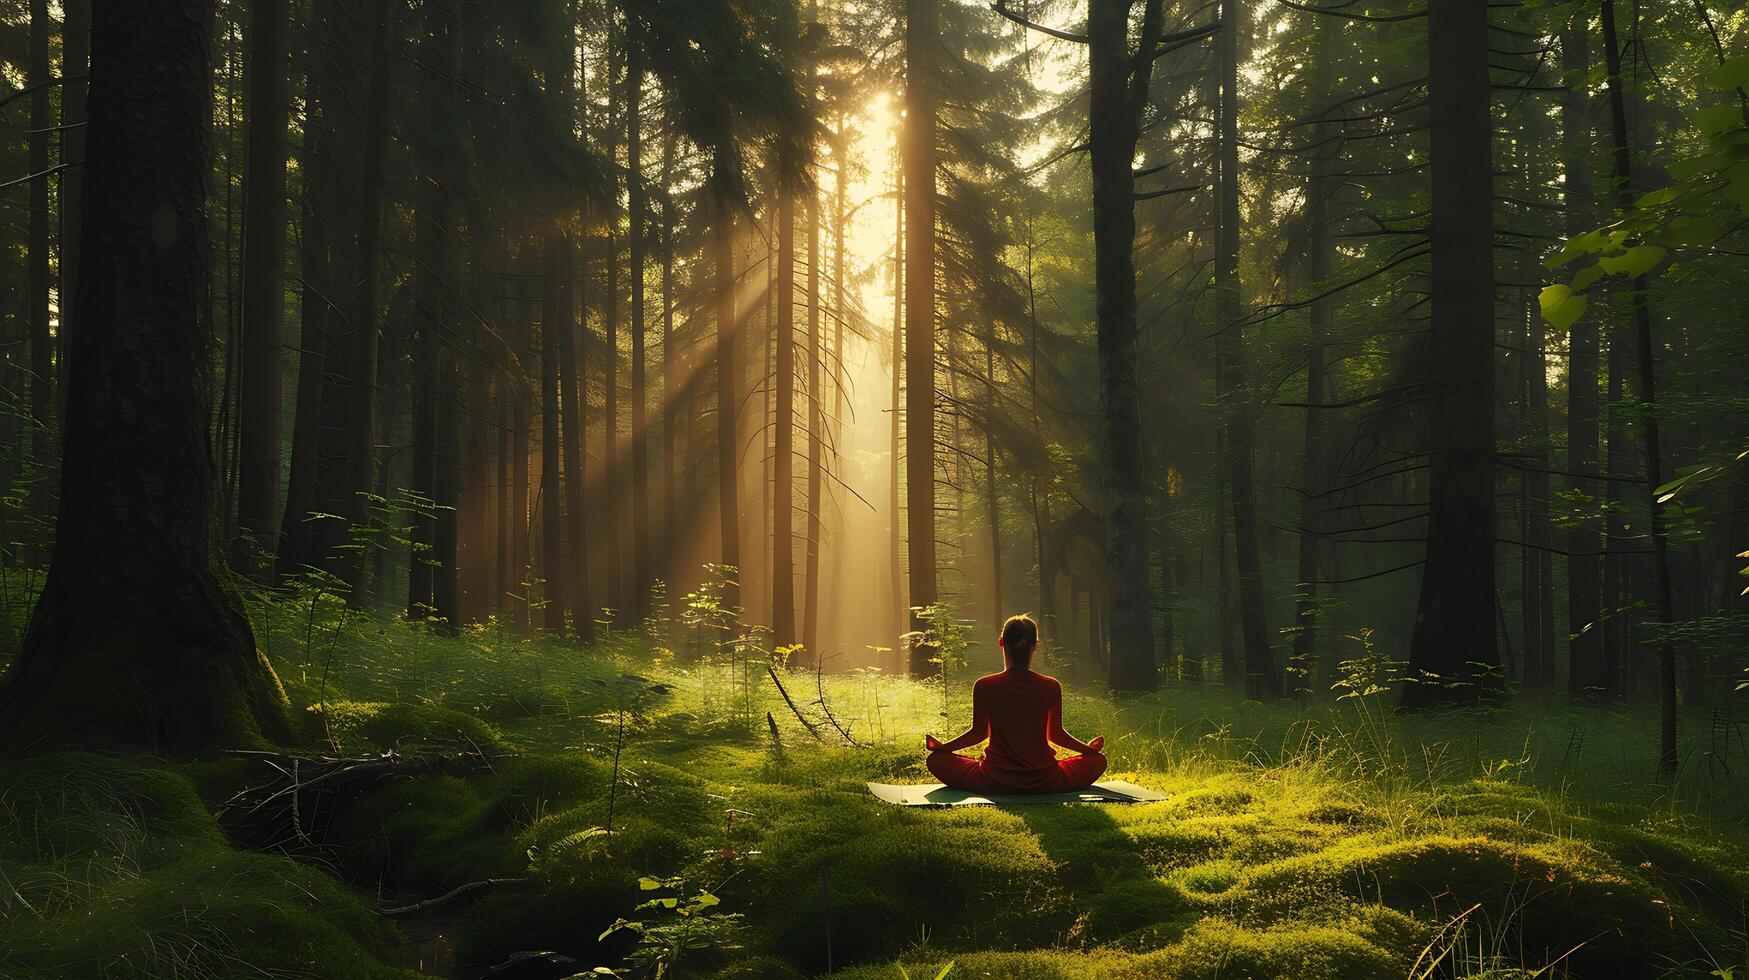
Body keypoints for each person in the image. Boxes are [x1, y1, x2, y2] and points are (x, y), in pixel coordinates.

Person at [924, 614, 1107, 793]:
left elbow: (978, 734)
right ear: (1035, 646)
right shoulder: (1051, 686)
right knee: (1098, 761)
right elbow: (1056, 735)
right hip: (1045, 780)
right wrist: (1088, 750)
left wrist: (943, 748)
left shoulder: (984, 686)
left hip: (994, 780)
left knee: (936, 760)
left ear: (1001, 642)